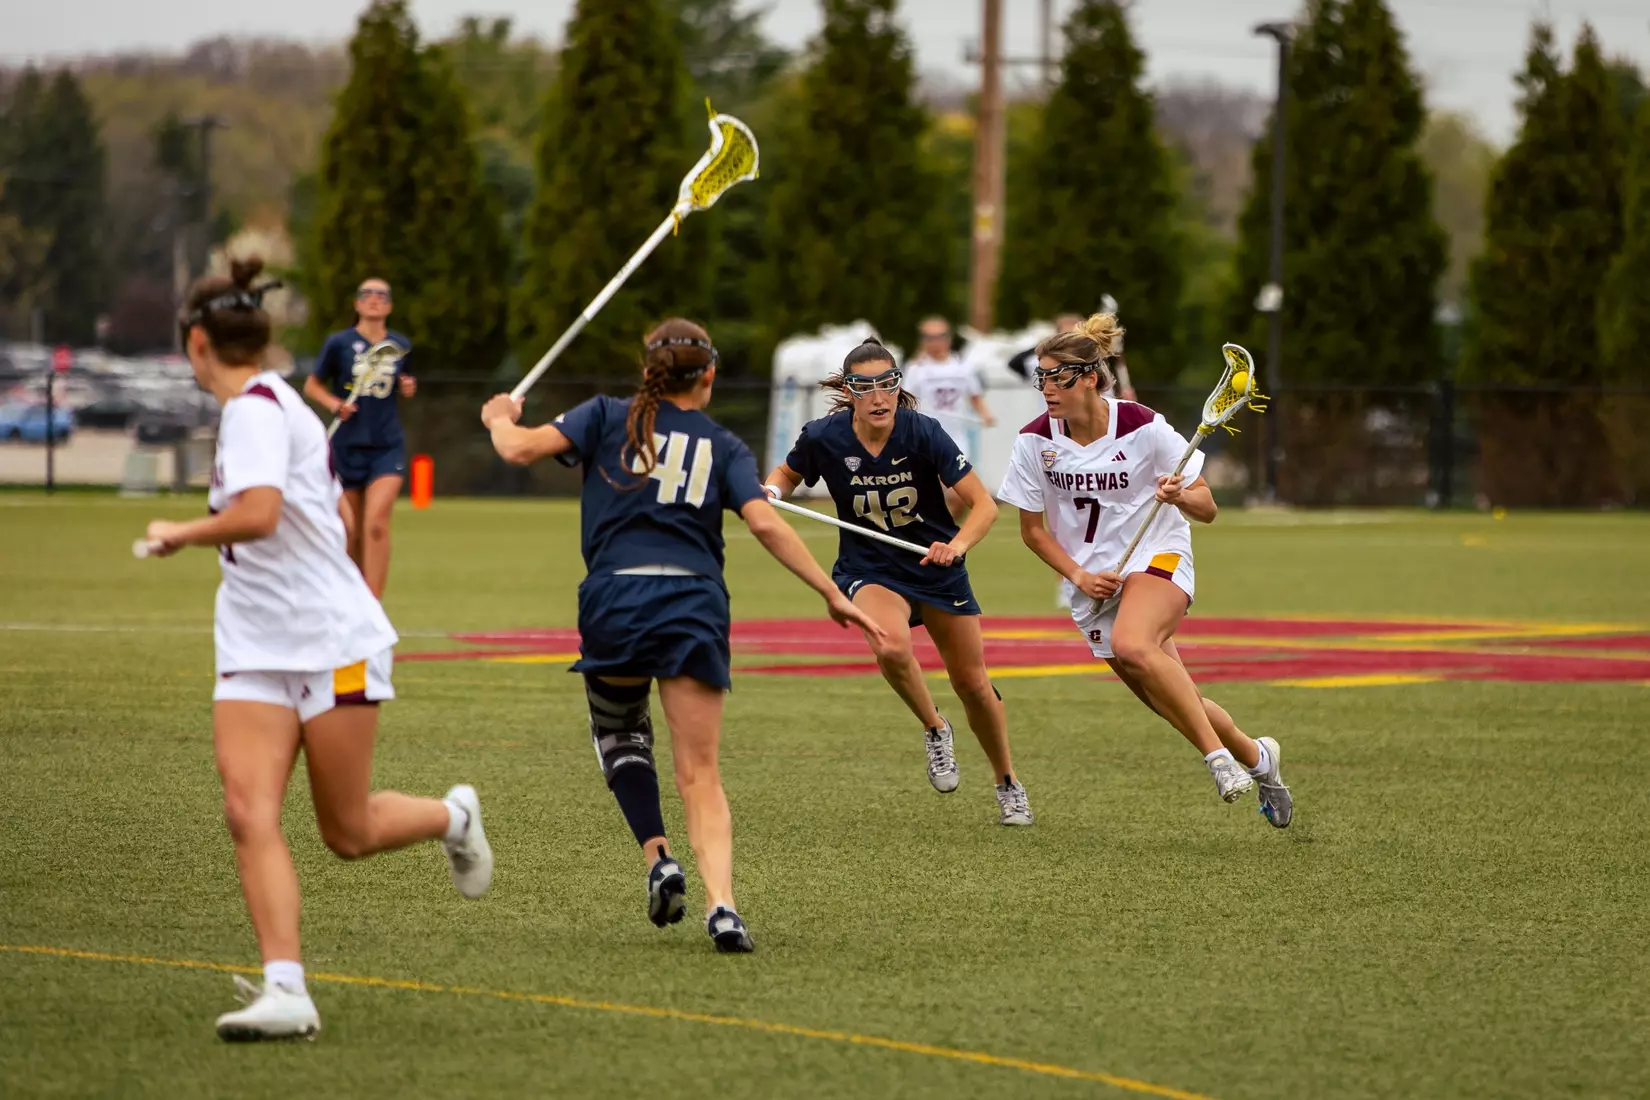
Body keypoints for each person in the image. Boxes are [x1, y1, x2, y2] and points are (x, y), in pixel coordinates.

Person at [141, 258, 492, 1042]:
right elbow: (335, 512)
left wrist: (179, 532)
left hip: (333, 641)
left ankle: (453, 816)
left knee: (348, 831)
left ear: (196, 344)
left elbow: (261, 513)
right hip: (254, 644)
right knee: (247, 810)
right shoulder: (274, 406)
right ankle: (286, 988)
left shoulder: (257, 411)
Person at [480, 318, 887, 953]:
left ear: (649, 371)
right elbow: (766, 524)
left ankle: (657, 856)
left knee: (619, 731)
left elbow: (517, 449)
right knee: (700, 772)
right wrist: (830, 592)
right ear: (710, 377)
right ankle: (722, 907)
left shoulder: (604, 415)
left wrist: (499, 417)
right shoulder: (723, 444)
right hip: (694, 603)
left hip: (616, 599)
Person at [995, 313, 1292, 826]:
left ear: (1090, 377)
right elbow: (1033, 532)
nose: (1046, 388)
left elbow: (1206, 507)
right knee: (1174, 699)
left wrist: (1180, 495)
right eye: (1041, 377)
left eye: (1057, 377)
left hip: (1157, 554)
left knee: (1134, 644)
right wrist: (1080, 576)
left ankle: (1218, 760)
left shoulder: (1143, 426)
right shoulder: (1033, 441)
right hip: (1093, 583)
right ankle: (1259, 758)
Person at [764, 338, 1033, 826]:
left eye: (887, 384)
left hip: (935, 568)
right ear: (849, 392)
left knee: (973, 685)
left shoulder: (922, 432)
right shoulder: (823, 437)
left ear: (897, 385)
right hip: (870, 569)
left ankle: (1007, 782)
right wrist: (771, 491)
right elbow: (785, 474)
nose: (878, 396)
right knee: (890, 646)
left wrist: (957, 545)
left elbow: (984, 505)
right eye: (865, 387)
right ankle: (935, 727)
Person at [303, 277, 415, 598]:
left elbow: (405, 380)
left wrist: (408, 387)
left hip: (386, 445)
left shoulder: (400, 344)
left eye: (382, 295)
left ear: (389, 305)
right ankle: (351, 599)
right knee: (349, 532)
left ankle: (373, 605)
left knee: (376, 523)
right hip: (346, 445)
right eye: (367, 294)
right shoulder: (338, 343)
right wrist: (334, 404)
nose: (375, 299)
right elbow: (312, 385)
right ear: (357, 303)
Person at [902, 316, 995, 461]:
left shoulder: (963, 367)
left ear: (948, 339)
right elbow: (906, 401)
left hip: (957, 438)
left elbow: (975, 397)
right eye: (929, 338)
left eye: (940, 337)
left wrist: (986, 415)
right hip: (926, 437)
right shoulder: (915, 369)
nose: (935, 342)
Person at [1008, 305, 1137, 400]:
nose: (1071, 342)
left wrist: (1122, 401)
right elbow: (1015, 363)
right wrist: (1050, 346)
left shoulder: (1094, 362)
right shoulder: (1041, 362)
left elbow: (1105, 398)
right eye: (1066, 336)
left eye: (1074, 336)